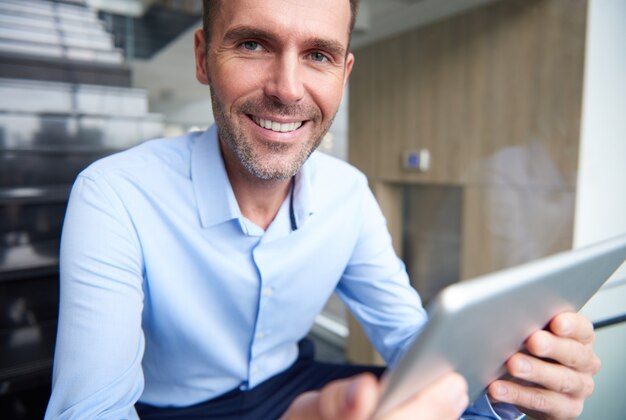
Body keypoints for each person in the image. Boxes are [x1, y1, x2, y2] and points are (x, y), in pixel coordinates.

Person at [45, 0, 600, 418]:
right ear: (202, 58)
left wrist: (511, 385)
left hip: (296, 384)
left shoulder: (349, 194)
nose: (288, 90)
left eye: (318, 55)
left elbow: (410, 342)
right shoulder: (113, 193)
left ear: (344, 72)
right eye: (253, 45)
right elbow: (88, 412)